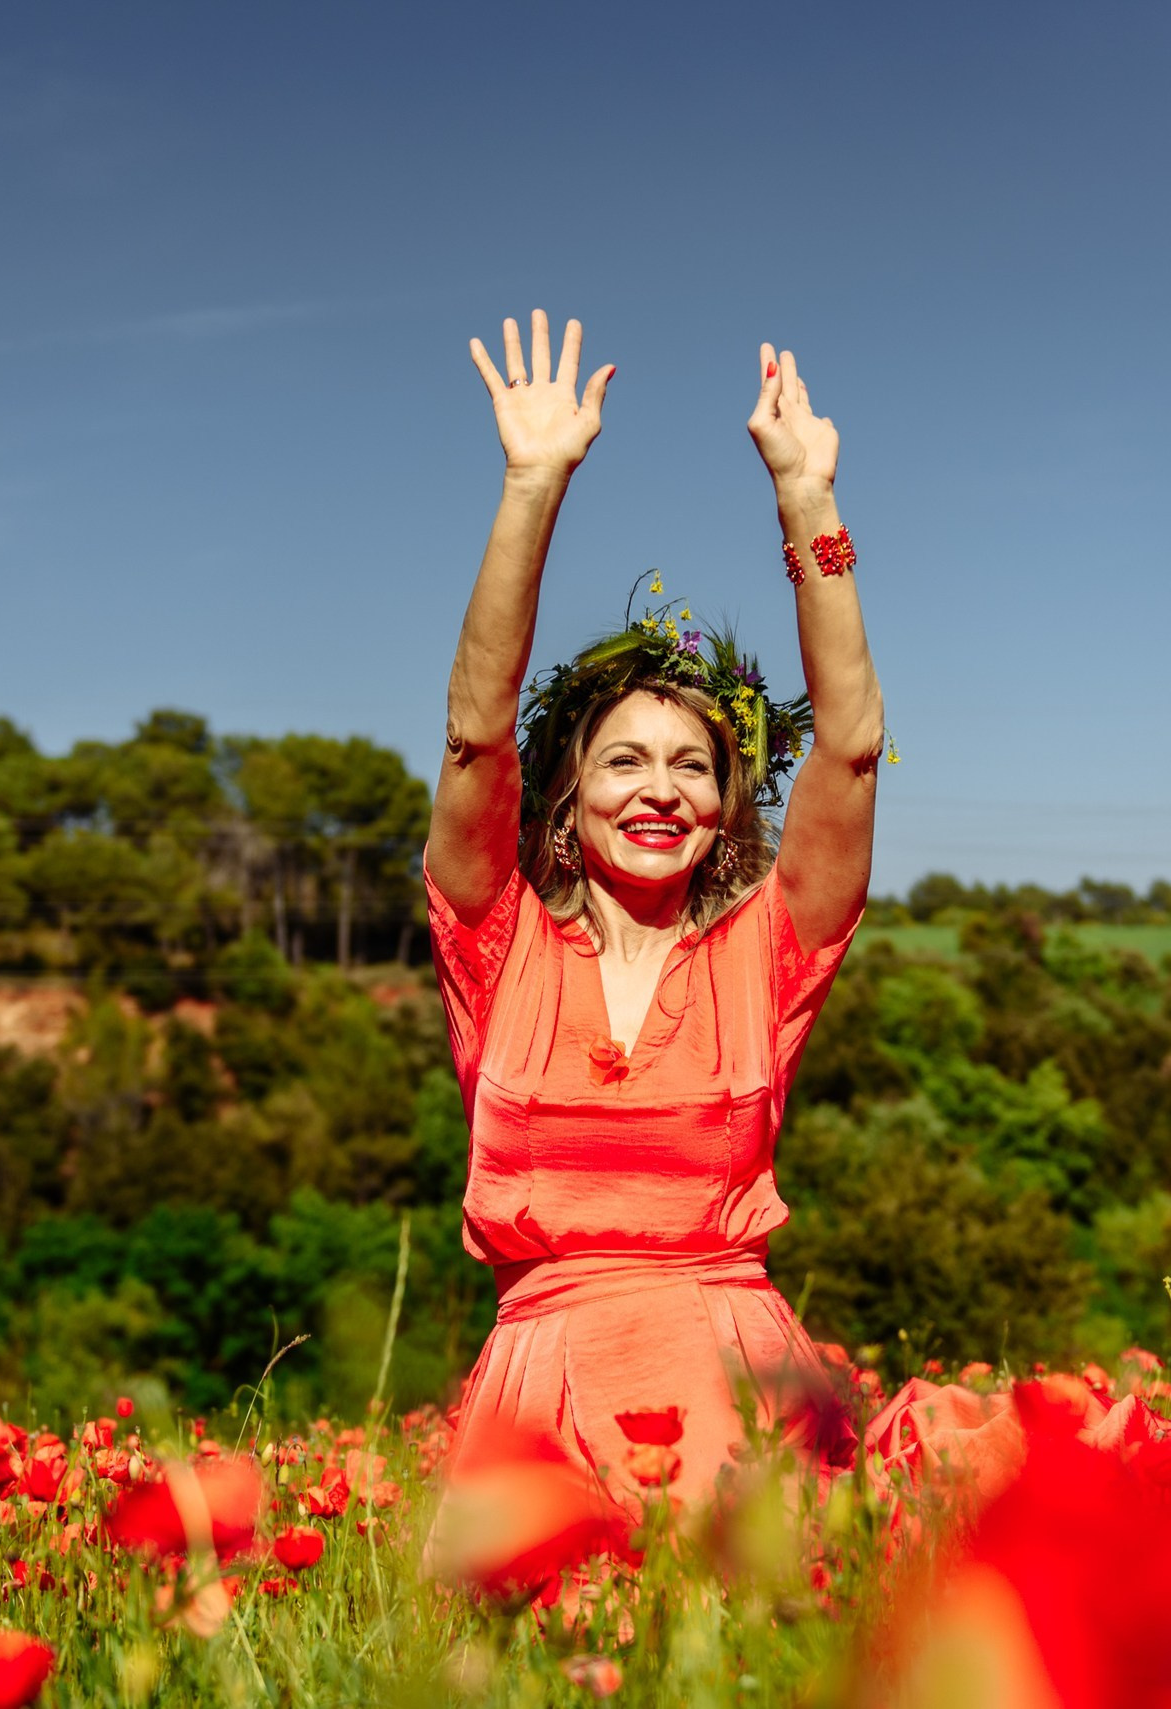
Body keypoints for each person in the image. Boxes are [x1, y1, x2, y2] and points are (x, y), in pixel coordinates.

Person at [426, 308, 885, 1511]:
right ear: (569, 794)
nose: (660, 788)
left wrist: (808, 507)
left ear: (727, 805)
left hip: (738, 1392)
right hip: (542, 1395)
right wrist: (531, 485)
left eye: (693, 765)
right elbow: (477, 733)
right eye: (624, 759)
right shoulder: (498, 947)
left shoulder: (764, 957)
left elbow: (850, 747)